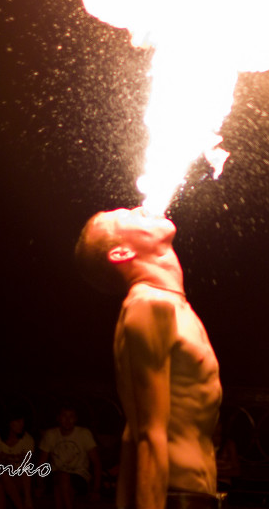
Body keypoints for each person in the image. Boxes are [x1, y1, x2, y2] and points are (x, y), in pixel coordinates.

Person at [76, 207, 223, 509]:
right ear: (120, 253)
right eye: (125, 214)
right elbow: (149, 434)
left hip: (191, 498)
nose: (141, 207)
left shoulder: (169, 304)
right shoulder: (148, 305)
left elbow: (132, 432)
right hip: (173, 500)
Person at [38, 407, 103, 508]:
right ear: (58, 418)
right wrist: (39, 485)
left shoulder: (84, 434)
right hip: (55, 475)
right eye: (64, 416)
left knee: (62, 484)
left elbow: (96, 463)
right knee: (62, 482)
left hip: (79, 476)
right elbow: (42, 463)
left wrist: (96, 490)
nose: (68, 420)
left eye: (71, 416)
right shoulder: (50, 434)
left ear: (76, 419)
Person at [0, 407, 35, 509]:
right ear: (9, 422)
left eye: (22, 421)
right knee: (0, 477)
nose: (21, 424)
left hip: (18, 477)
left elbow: (26, 469)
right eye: (18, 421)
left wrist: (28, 497)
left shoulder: (27, 440)